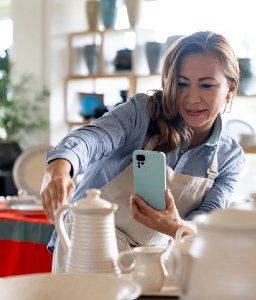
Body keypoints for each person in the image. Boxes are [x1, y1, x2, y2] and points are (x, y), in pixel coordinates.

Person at [40, 30, 245, 261]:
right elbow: (93, 138)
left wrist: (175, 226)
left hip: (153, 260)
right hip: (87, 243)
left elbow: (208, 226)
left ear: (230, 89)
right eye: (181, 84)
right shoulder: (142, 113)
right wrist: (59, 165)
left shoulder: (230, 158)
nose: (192, 98)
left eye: (207, 86)